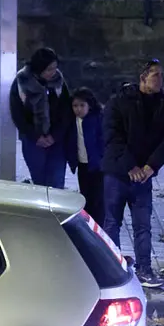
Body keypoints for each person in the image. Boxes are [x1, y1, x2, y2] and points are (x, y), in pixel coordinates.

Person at [102, 59, 164, 288]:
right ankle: (111, 268)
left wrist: (150, 167)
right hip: (117, 174)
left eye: (161, 75)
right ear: (143, 78)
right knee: (112, 222)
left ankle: (145, 269)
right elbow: (112, 137)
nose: (160, 80)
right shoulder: (120, 101)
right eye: (156, 75)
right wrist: (131, 166)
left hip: (143, 176)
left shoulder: (163, 104)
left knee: (143, 225)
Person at [10, 47, 73, 188]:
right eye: (49, 69)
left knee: (57, 181)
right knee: (40, 182)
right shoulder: (22, 81)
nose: (53, 72)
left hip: (56, 140)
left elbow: (66, 110)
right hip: (33, 140)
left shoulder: (58, 80)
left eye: (55, 68)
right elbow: (17, 113)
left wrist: (55, 136)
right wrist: (35, 136)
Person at [66, 87, 106, 226]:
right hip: (82, 164)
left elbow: (103, 141)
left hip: (98, 166)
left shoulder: (97, 119)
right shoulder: (72, 121)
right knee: (86, 197)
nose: (78, 109)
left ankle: (99, 227)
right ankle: (89, 225)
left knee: (98, 200)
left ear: (90, 105)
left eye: (82, 105)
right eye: (75, 106)